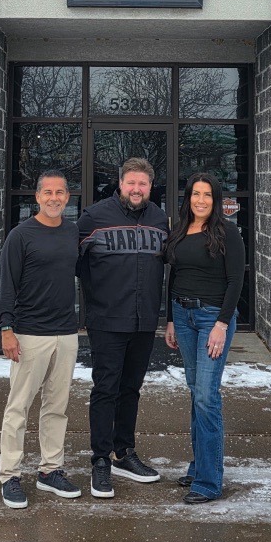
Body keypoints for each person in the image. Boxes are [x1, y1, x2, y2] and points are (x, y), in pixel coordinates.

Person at [78, 157, 169, 498]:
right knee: (106, 390)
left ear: (150, 186)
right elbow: (71, 262)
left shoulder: (160, 219)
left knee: (131, 389)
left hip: (144, 321)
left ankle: (123, 452)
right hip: (106, 321)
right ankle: (101, 460)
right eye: (131, 182)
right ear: (120, 183)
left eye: (142, 183)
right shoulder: (93, 217)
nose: (136, 188)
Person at [0, 170, 81, 509]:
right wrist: (6, 329)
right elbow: (7, 285)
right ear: (37, 197)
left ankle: (50, 470)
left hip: (66, 333)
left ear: (67, 197)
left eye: (60, 192)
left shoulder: (72, 232)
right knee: (18, 408)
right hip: (30, 334)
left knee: (57, 407)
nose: (54, 198)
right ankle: (9, 475)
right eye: (48, 192)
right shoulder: (20, 235)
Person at [164, 172, 245, 504]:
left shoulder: (228, 232)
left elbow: (236, 281)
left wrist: (222, 324)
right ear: (188, 198)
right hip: (182, 316)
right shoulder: (181, 230)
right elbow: (174, 275)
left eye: (207, 195)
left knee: (206, 397)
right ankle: (199, 467)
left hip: (212, 318)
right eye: (195, 194)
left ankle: (210, 482)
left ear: (216, 199)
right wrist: (170, 320)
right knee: (196, 391)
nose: (201, 200)